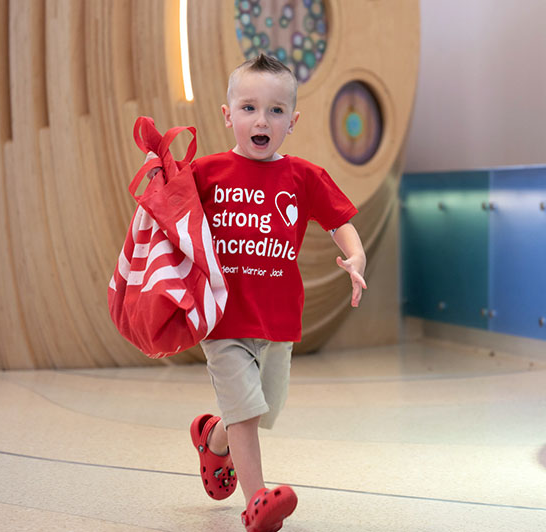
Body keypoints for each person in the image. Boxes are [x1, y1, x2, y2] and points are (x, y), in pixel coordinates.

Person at [162, 54, 367, 532]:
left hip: (278, 321)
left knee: (264, 407)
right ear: (227, 114)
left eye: (276, 111)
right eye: (249, 107)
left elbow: (341, 222)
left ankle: (213, 439)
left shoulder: (303, 177)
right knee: (249, 413)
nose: (261, 119)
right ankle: (256, 500)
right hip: (224, 319)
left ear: (292, 122)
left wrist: (355, 258)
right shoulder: (207, 173)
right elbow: (167, 216)